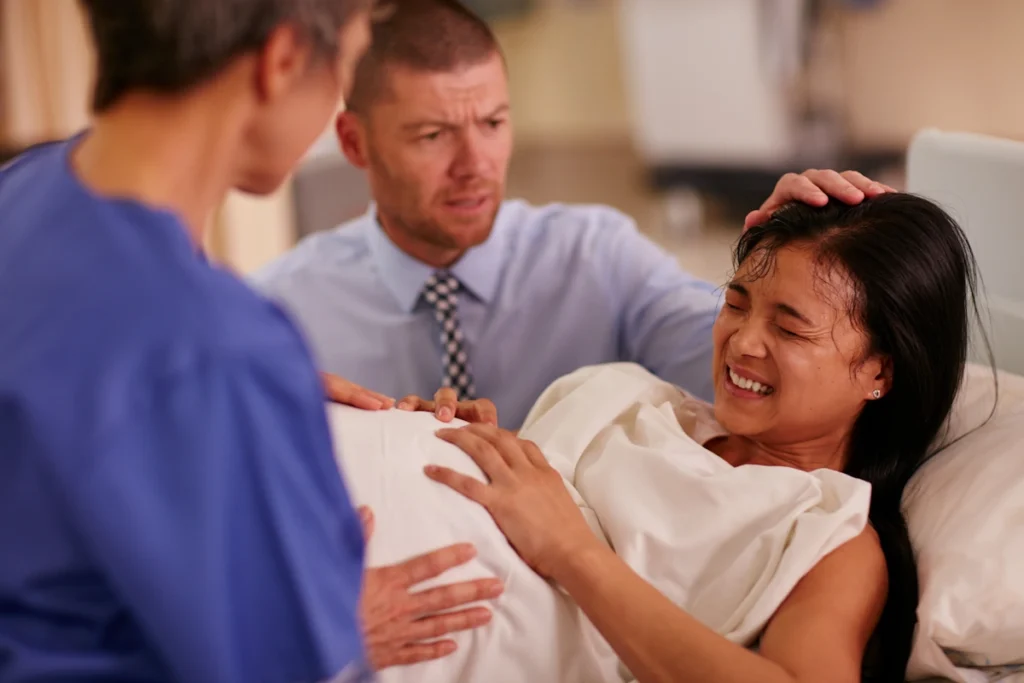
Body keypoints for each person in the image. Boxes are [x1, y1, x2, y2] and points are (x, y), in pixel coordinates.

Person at [0, 1, 500, 682]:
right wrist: (331, 633)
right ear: (283, 61)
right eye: (349, 62)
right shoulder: (220, 348)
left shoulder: (23, 189)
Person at [320, 193, 990, 682]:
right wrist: (458, 438)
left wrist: (573, 552)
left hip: (361, 609)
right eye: (735, 303)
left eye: (789, 328)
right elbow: (532, 492)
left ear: (879, 371)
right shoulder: (636, 397)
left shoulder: (829, 537)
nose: (742, 341)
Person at [253, 0, 894, 429]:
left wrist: (790, 265)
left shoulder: (596, 257)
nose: (476, 164)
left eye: (493, 123)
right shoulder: (280, 312)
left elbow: (749, 364)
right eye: (432, 135)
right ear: (355, 143)